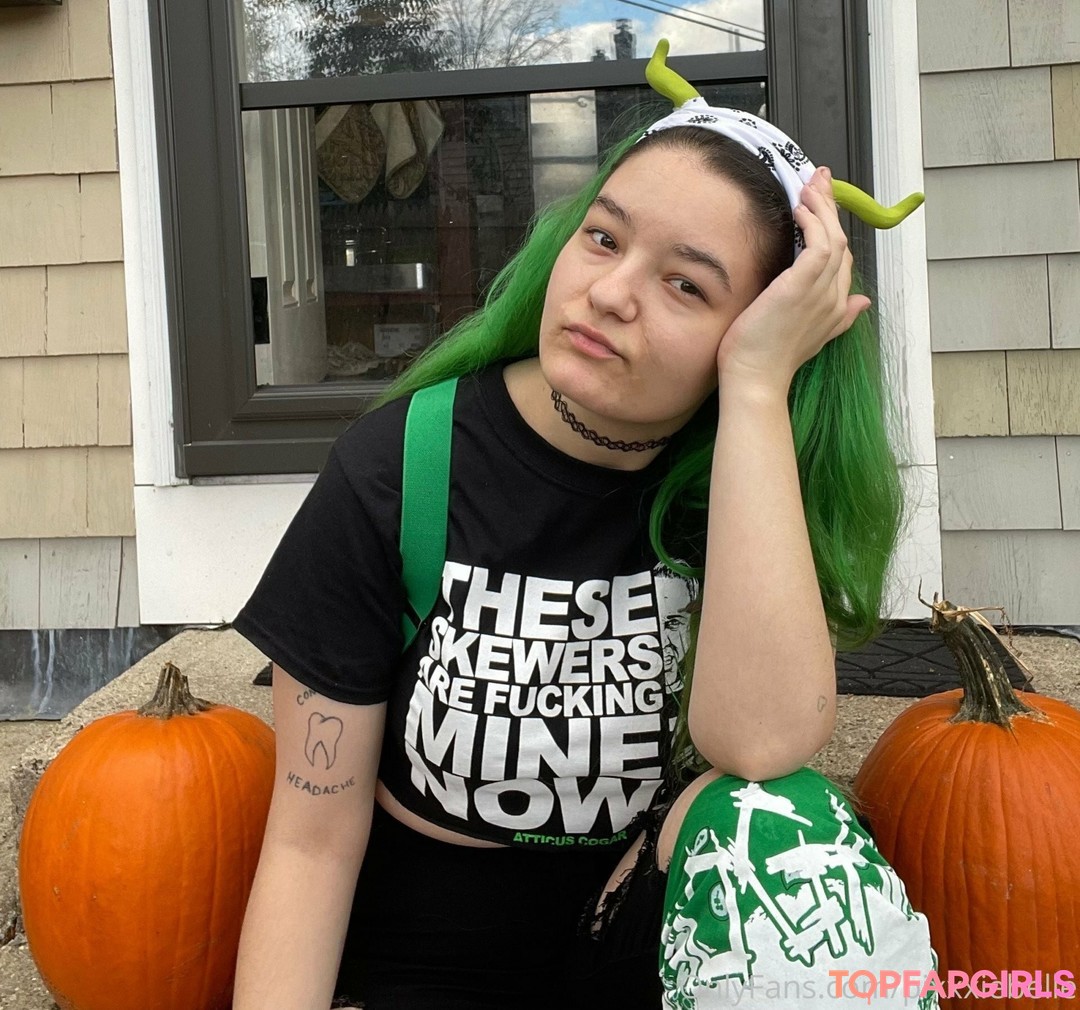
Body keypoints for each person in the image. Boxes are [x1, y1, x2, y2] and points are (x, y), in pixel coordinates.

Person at [230, 41, 936, 1010]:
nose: (610, 293)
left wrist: (756, 388)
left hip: (638, 937)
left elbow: (764, 745)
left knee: (787, 822)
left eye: (687, 284)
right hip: (427, 968)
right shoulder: (400, 468)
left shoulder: (742, 479)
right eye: (604, 238)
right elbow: (309, 841)